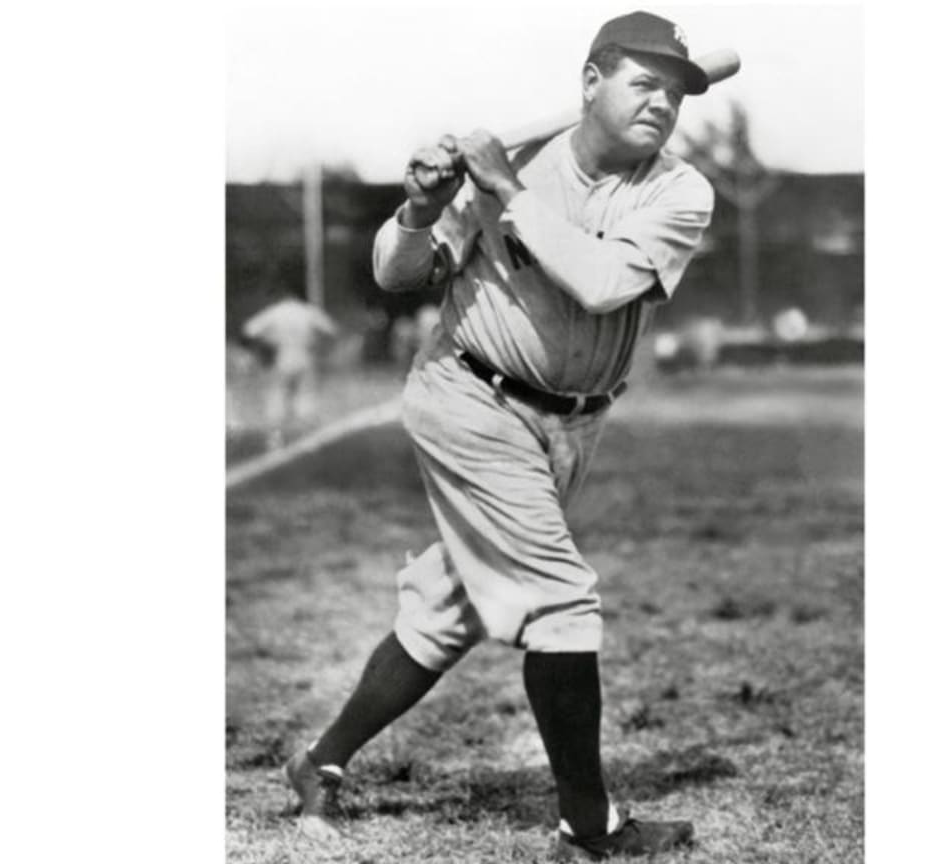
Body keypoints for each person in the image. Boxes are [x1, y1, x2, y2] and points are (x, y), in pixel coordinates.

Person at [284, 11, 715, 860]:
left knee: (450, 609)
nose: (663, 102)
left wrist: (506, 197)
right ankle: (588, 829)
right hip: (469, 398)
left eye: (676, 91)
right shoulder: (511, 168)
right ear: (590, 82)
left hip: (573, 423)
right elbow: (398, 277)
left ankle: (319, 763)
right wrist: (418, 209)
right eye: (644, 81)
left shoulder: (679, 192)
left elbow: (599, 283)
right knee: (559, 599)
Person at [241, 293, 338, 448]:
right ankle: (309, 436)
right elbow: (331, 329)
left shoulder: (276, 311)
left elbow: (250, 329)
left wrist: (267, 340)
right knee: (306, 394)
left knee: (278, 393)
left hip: (283, 356)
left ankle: (275, 437)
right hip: (304, 356)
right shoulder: (307, 311)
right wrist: (318, 344)